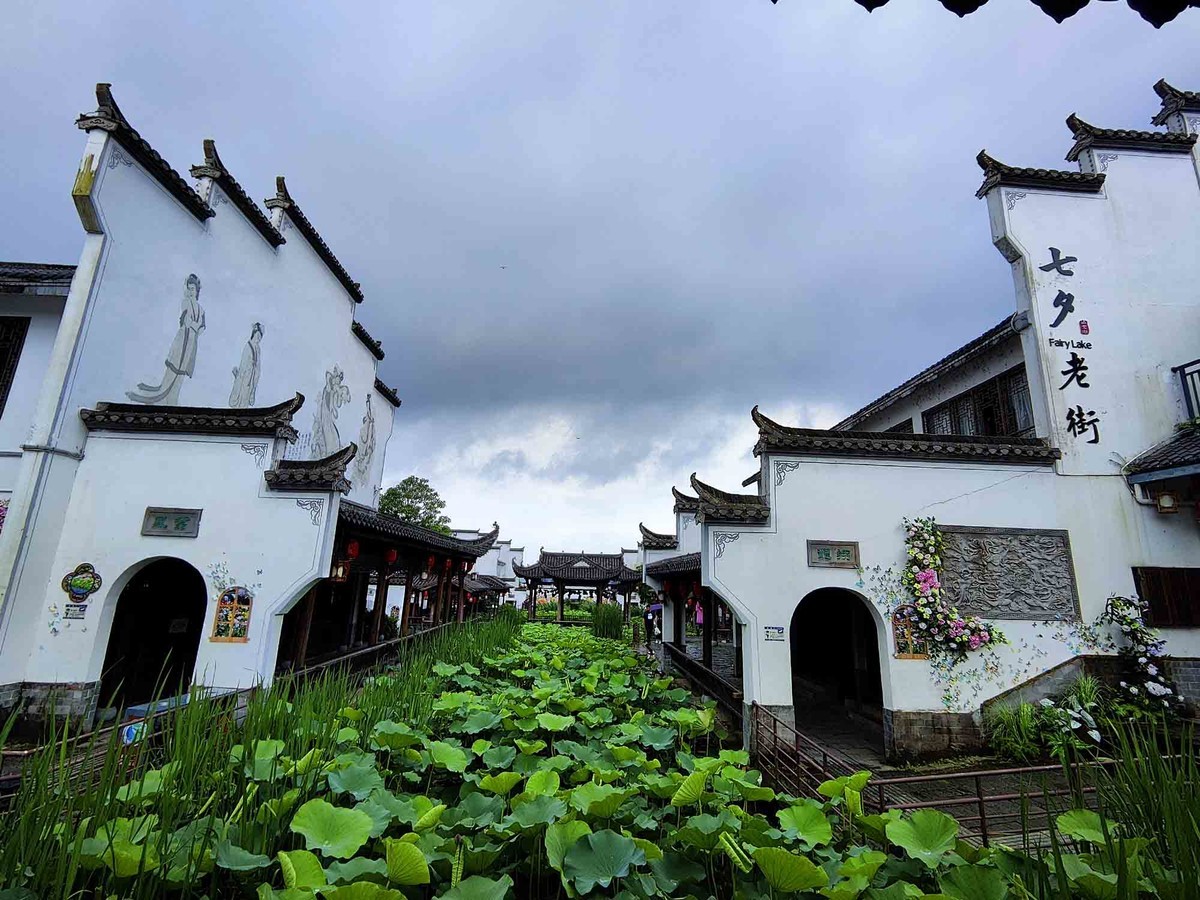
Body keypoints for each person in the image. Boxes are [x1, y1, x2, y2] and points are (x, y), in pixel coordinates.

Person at [127, 273, 206, 405]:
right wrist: (195, 326)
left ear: (197, 290)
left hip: (192, 343)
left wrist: (195, 326)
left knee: (182, 371)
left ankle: (173, 397)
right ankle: (163, 397)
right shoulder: (185, 302)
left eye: (193, 289)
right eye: (189, 288)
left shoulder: (201, 309)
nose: (191, 291)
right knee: (175, 366)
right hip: (182, 340)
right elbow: (187, 322)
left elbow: (202, 327)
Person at [228, 322, 264, 407]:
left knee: (246, 397)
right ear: (253, 334)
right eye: (257, 336)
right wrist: (239, 376)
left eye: (260, 337)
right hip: (244, 377)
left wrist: (255, 379)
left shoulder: (258, 349)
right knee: (241, 395)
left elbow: (258, 367)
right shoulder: (248, 346)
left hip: (252, 377)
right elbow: (243, 365)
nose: (258, 339)